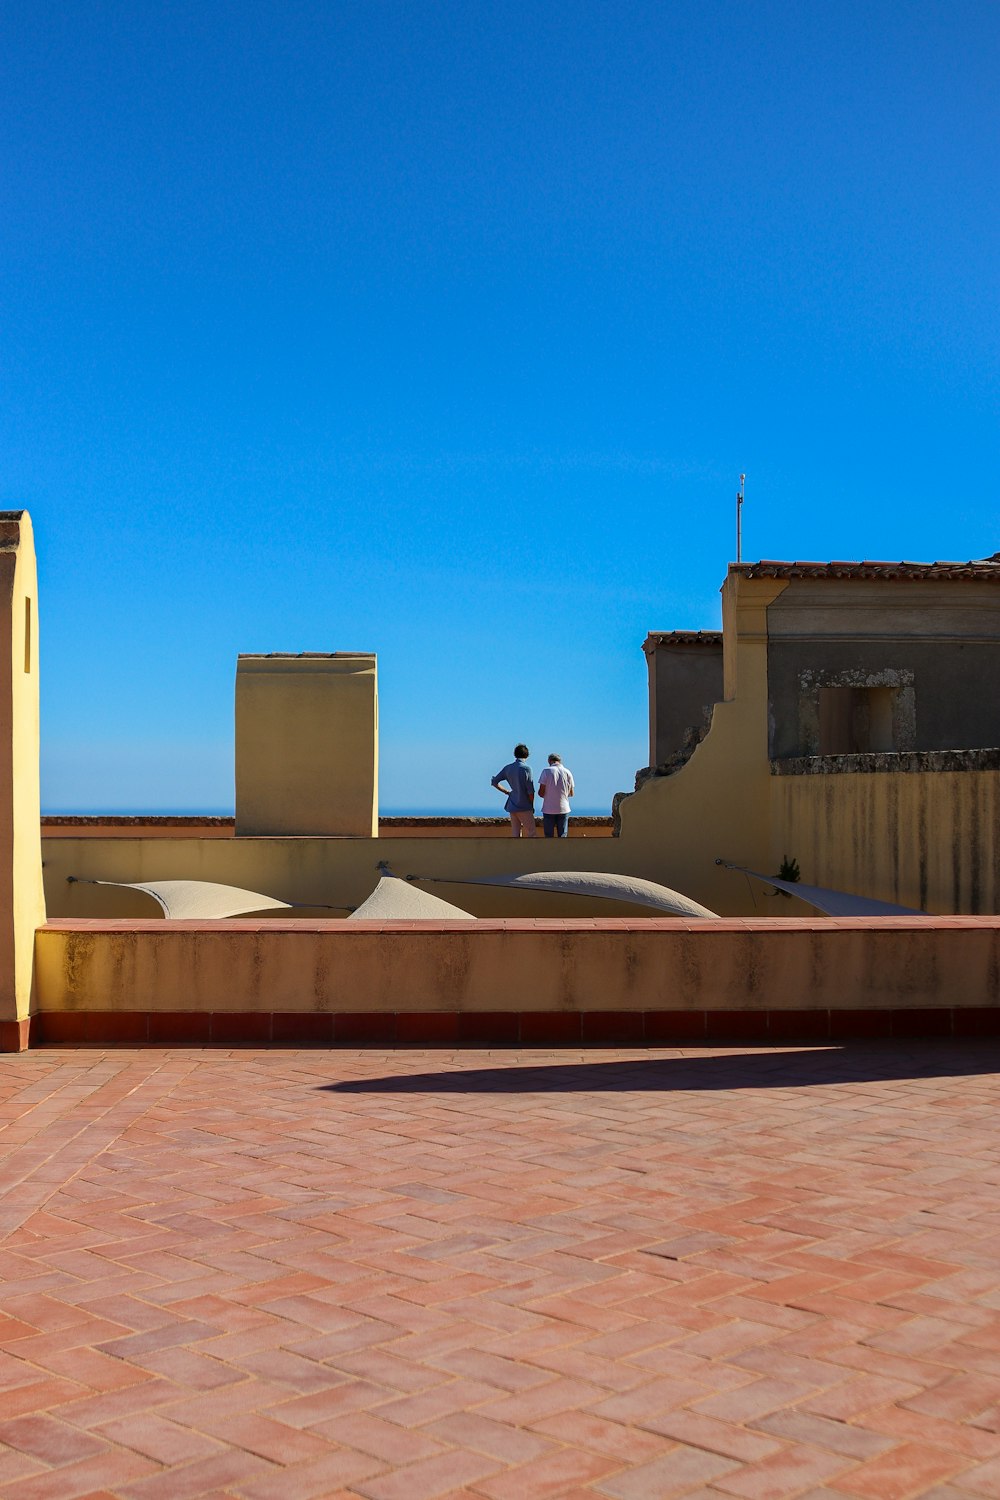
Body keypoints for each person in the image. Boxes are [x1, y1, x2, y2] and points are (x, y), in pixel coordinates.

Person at [491, 744, 536, 837]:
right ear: (527, 755)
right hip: (524, 806)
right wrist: (531, 805)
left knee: (516, 834)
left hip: (512, 804)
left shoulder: (508, 768)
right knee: (531, 833)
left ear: (515, 754)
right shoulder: (526, 769)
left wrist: (507, 792)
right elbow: (530, 791)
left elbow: (494, 782)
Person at [538, 753, 574, 838]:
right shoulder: (568, 772)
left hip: (548, 809)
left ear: (549, 761)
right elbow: (571, 793)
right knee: (562, 836)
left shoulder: (546, 771)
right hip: (563, 808)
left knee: (548, 836)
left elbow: (541, 793)